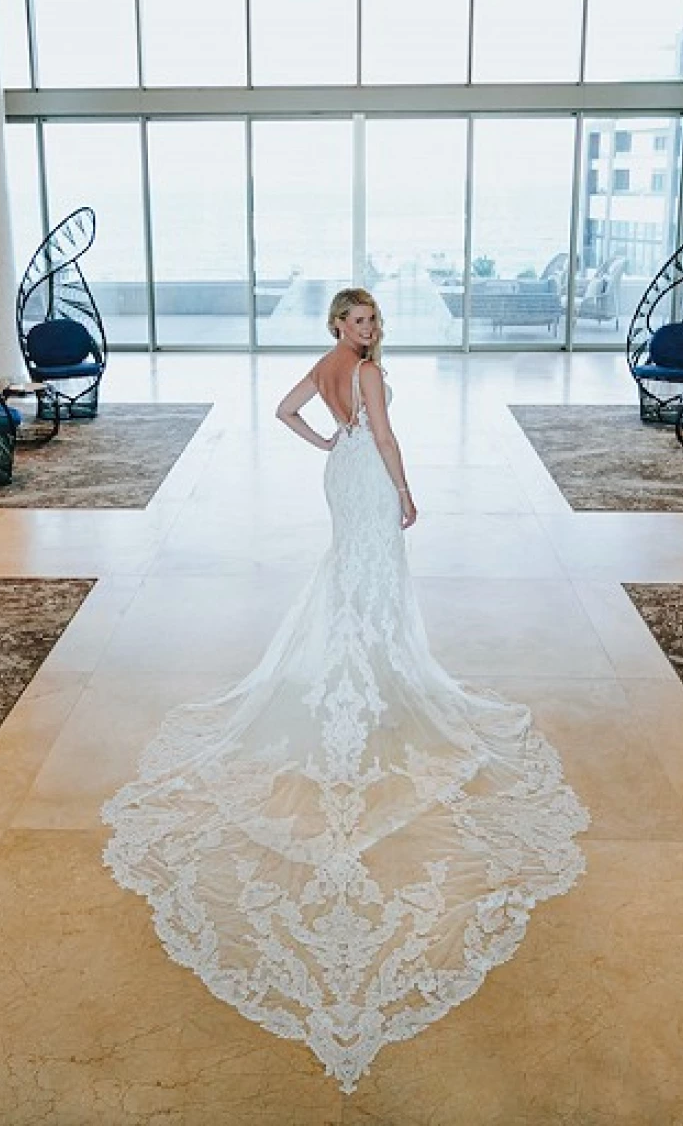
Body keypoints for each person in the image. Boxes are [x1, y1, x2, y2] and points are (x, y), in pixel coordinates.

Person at [101, 287, 588, 1093]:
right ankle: (368, 681)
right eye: (355, 322)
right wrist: (403, 489)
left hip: (341, 471)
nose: (365, 331)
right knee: (369, 577)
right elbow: (386, 433)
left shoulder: (333, 366)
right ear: (337, 326)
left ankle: (359, 672)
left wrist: (329, 441)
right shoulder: (360, 371)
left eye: (369, 321)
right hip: (364, 479)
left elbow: (287, 411)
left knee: (356, 579)